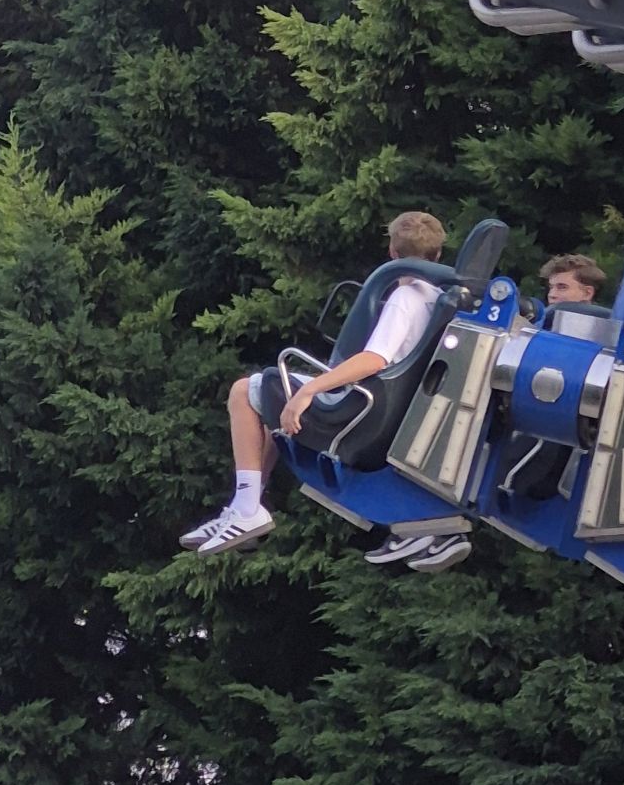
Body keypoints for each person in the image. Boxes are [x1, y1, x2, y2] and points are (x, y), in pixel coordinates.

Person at [180, 210, 447, 559]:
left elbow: (375, 359)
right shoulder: (438, 299)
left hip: (362, 409)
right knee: (270, 398)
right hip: (387, 408)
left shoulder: (404, 299)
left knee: (244, 391)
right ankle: (245, 504)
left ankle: (246, 508)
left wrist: (309, 390)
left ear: (392, 253)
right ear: (438, 254)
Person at [364, 251, 607, 570]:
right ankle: (431, 530)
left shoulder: (577, 341)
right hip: (532, 434)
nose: (552, 294)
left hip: (540, 441)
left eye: (562, 287)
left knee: (454, 431)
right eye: (551, 287)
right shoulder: (556, 329)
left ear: (586, 292)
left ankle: (428, 525)